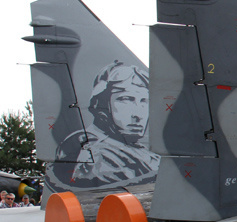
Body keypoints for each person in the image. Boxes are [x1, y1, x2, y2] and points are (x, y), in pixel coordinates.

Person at [48, 60, 159, 189]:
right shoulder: (101, 156)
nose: (138, 115)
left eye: (144, 101)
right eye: (126, 99)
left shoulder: (129, 151)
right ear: (102, 104)